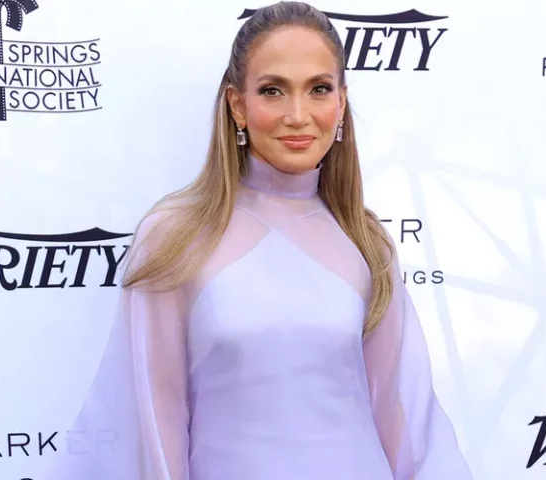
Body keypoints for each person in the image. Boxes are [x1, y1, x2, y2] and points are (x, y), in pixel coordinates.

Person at [41, 2, 473, 479]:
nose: (298, 115)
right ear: (237, 105)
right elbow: (151, 420)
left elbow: (410, 423)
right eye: (273, 90)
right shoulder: (174, 236)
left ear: (341, 103)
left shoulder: (367, 242)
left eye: (319, 89)